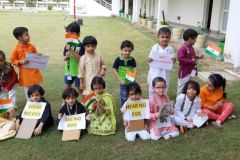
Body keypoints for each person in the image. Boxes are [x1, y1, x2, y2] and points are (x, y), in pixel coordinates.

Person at [10, 27, 43, 100]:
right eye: (26, 35)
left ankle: (40, 106)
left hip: (35, 74)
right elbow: (12, 60)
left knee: (38, 91)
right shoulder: (16, 49)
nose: (29, 36)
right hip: (25, 76)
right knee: (29, 95)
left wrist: (39, 57)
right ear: (20, 38)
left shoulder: (31, 46)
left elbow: (36, 56)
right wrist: (20, 61)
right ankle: (30, 106)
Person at [148, 27, 176, 96]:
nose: (165, 39)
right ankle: (152, 103)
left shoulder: (170, 49)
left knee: (163, 88)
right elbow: (149, 59)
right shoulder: (155, 47)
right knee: (153, 88)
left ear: (170, 38)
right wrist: (150, 59)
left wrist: (174, 60)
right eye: (162, 37)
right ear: (158, 37)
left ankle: (162, 103)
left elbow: (173, 61)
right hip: (155, 72)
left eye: (167, 37)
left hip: (165, 73)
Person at [176, 29, 204, 96]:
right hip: (184, 71)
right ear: (190, 39)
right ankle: (178, 101)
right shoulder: (183, 48)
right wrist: (191, 61)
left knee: (190, 85)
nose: (196, 41)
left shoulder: (191, 47)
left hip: (191, 71)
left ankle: (187, 98)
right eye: (195, 39)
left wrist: (198, 57)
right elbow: (180, 58)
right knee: (182, 86)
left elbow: (191, 57)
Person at [113, 40, 137, 106]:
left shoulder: (132, 59)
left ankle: (131, 106)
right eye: (125, 50)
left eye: (129, 51)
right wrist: (120, 80)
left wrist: (134, 76)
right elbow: (114, 69)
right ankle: (123, 108)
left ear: (132, 50)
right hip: (122, 81)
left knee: (132, 94)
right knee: (124, 96)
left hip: (131, 80)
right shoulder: (118, 59)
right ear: (121, 49)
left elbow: (135, 68)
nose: (127, 53)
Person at [63, 22, 85, 94]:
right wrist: (66, 57)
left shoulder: (81, 45)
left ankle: (83, 103)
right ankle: (65, 103)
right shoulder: (68, 44)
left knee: (80, 90)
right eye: (68, 34)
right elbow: (64, 58)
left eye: (72, 34)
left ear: (78, 34)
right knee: (67, 90)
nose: (70, 36)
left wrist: (72, 51)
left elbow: (80, 60)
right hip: (68, 72)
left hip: (78, 73)